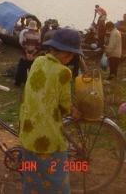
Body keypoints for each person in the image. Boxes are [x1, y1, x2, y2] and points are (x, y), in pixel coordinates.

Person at [20, 28, 82, 194]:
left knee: (31, 177)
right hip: (48, 137)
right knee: (57, 182)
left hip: (27, 132)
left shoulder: (38, 61)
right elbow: (65, 105)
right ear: (67, 55)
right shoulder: (64, 72)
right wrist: (74, 111)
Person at [15, 20, 41, 87]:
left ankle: (18, 83)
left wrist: (27, 53)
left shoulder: (25, 34)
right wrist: (32, 54)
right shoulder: (38, 35)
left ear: (29, 27)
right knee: (31, 69)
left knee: (21, 68)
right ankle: (28, 83)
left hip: (25, 54)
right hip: (33, 55)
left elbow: (23, 44)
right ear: (35, 27)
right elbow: (38, 46)